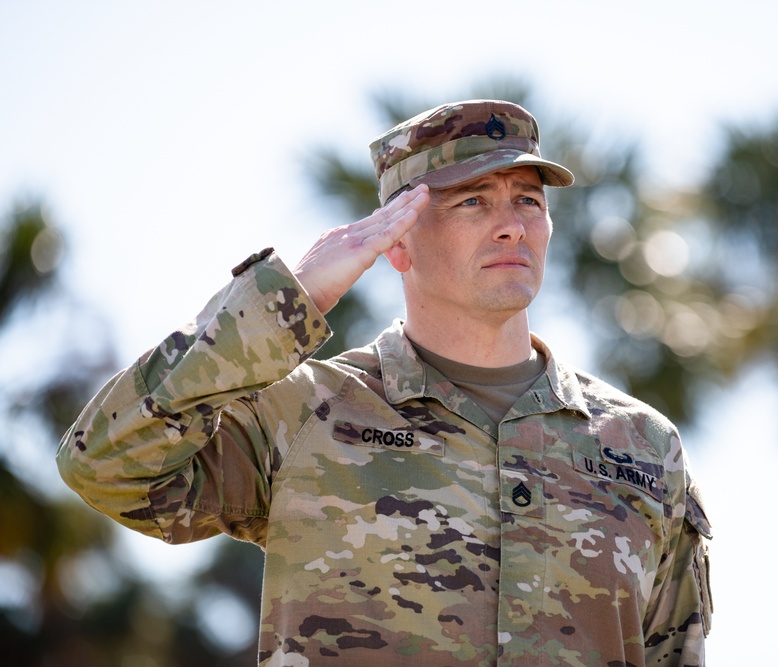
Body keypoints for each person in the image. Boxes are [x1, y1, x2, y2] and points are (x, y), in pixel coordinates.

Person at [57, 100, 713, 666]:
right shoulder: (306, 412)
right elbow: (106, 464)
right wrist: (291, 299)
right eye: (473, 201)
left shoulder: (644, 449)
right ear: (396, 242)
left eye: (529, 200)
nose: (512, 222)